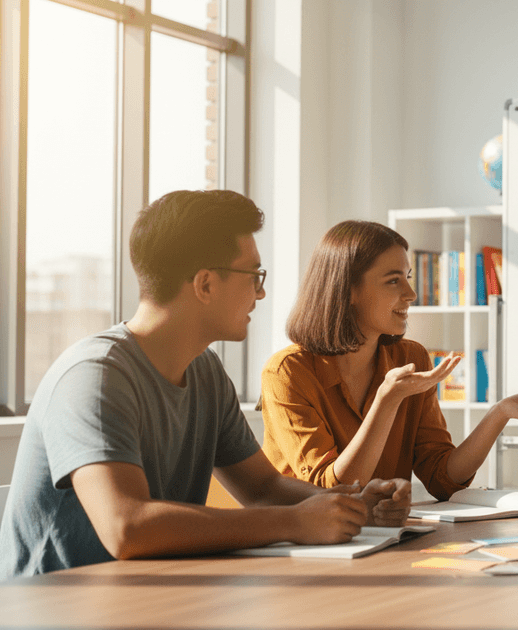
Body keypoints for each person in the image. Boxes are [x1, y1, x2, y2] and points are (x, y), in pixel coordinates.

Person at [0, 191, 411, 577]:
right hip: (57, 609)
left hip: (152, 597)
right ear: (206, 284)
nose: (262, 292)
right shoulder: (95, 375)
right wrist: (292, 521)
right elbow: (126, 527)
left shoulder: (206, 371)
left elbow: (263, 488)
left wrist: (351, 505)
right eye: (253, 275)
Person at [259, 221, 518, 499]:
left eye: (407, 277)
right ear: (348, 289)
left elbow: (441, 478)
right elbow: (330, 491)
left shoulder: (410, 358)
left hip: (377, 538)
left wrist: (499, 414)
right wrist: (387, 401)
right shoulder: (287, 373)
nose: (411, 293)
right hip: (303, 547)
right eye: (394, 281)